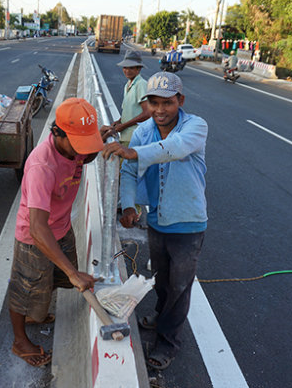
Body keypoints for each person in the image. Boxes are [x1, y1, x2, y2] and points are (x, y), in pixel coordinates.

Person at [102, 71, 208, 370]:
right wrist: (128, 207)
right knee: (162, 280)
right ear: (146, 103)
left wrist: (133, 152)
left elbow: (175, 150)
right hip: (158, 221)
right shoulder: (143, 131)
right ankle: (161, 316)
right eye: (154, 103)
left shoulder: (195, 127)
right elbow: (129, 172)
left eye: (167, 103)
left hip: (188, 223)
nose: (160, 110)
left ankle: (167, 343)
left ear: (180, 101)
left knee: (179, 287)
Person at [8, 97, 103, 367]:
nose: (83, 153)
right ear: (58, 133)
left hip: (61, 227)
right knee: (24, 288)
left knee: (51, 279)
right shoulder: (41, 165)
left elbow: (89, 152)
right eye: (79, 144)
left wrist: (96, 140)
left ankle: (34, 313)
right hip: (35, 238)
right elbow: (38, 228)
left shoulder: (78, 149)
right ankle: (19, 340)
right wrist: (75, 274)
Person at [100, 50, 151, 148]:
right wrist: (119, 121)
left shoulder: (141, 84)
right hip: (126, 136)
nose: (127, 71)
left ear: (138, 69)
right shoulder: (127, 85)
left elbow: (147, 113)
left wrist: (123, 126)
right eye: (125, 67)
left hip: (135, 137)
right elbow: (131, 111)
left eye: (131, 68)